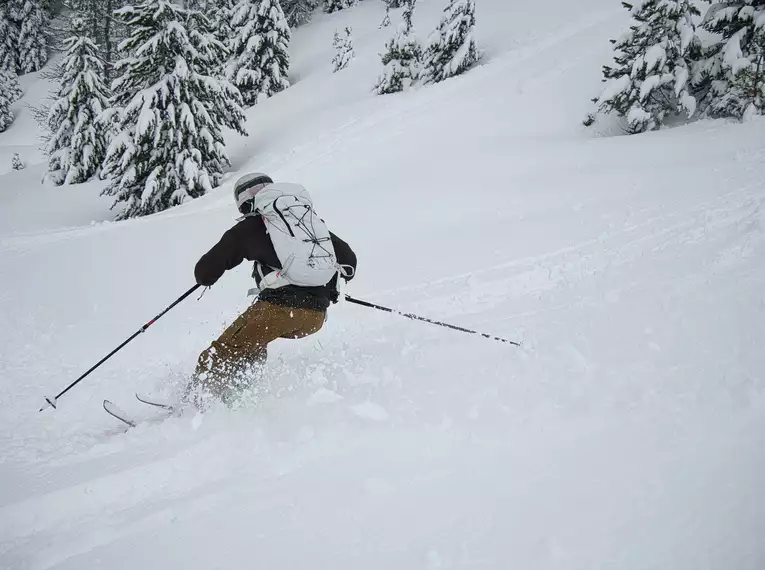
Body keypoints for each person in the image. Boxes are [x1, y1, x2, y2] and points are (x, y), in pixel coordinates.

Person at [188, 173, 357, 404]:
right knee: (252, 344)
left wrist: (207, 278)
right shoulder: (307, 225)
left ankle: (192, 406)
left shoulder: (251, 226)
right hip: (315, 318)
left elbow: (204, 272)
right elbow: (349, 261)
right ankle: (240, 397)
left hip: (278, 311)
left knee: (219, 354)